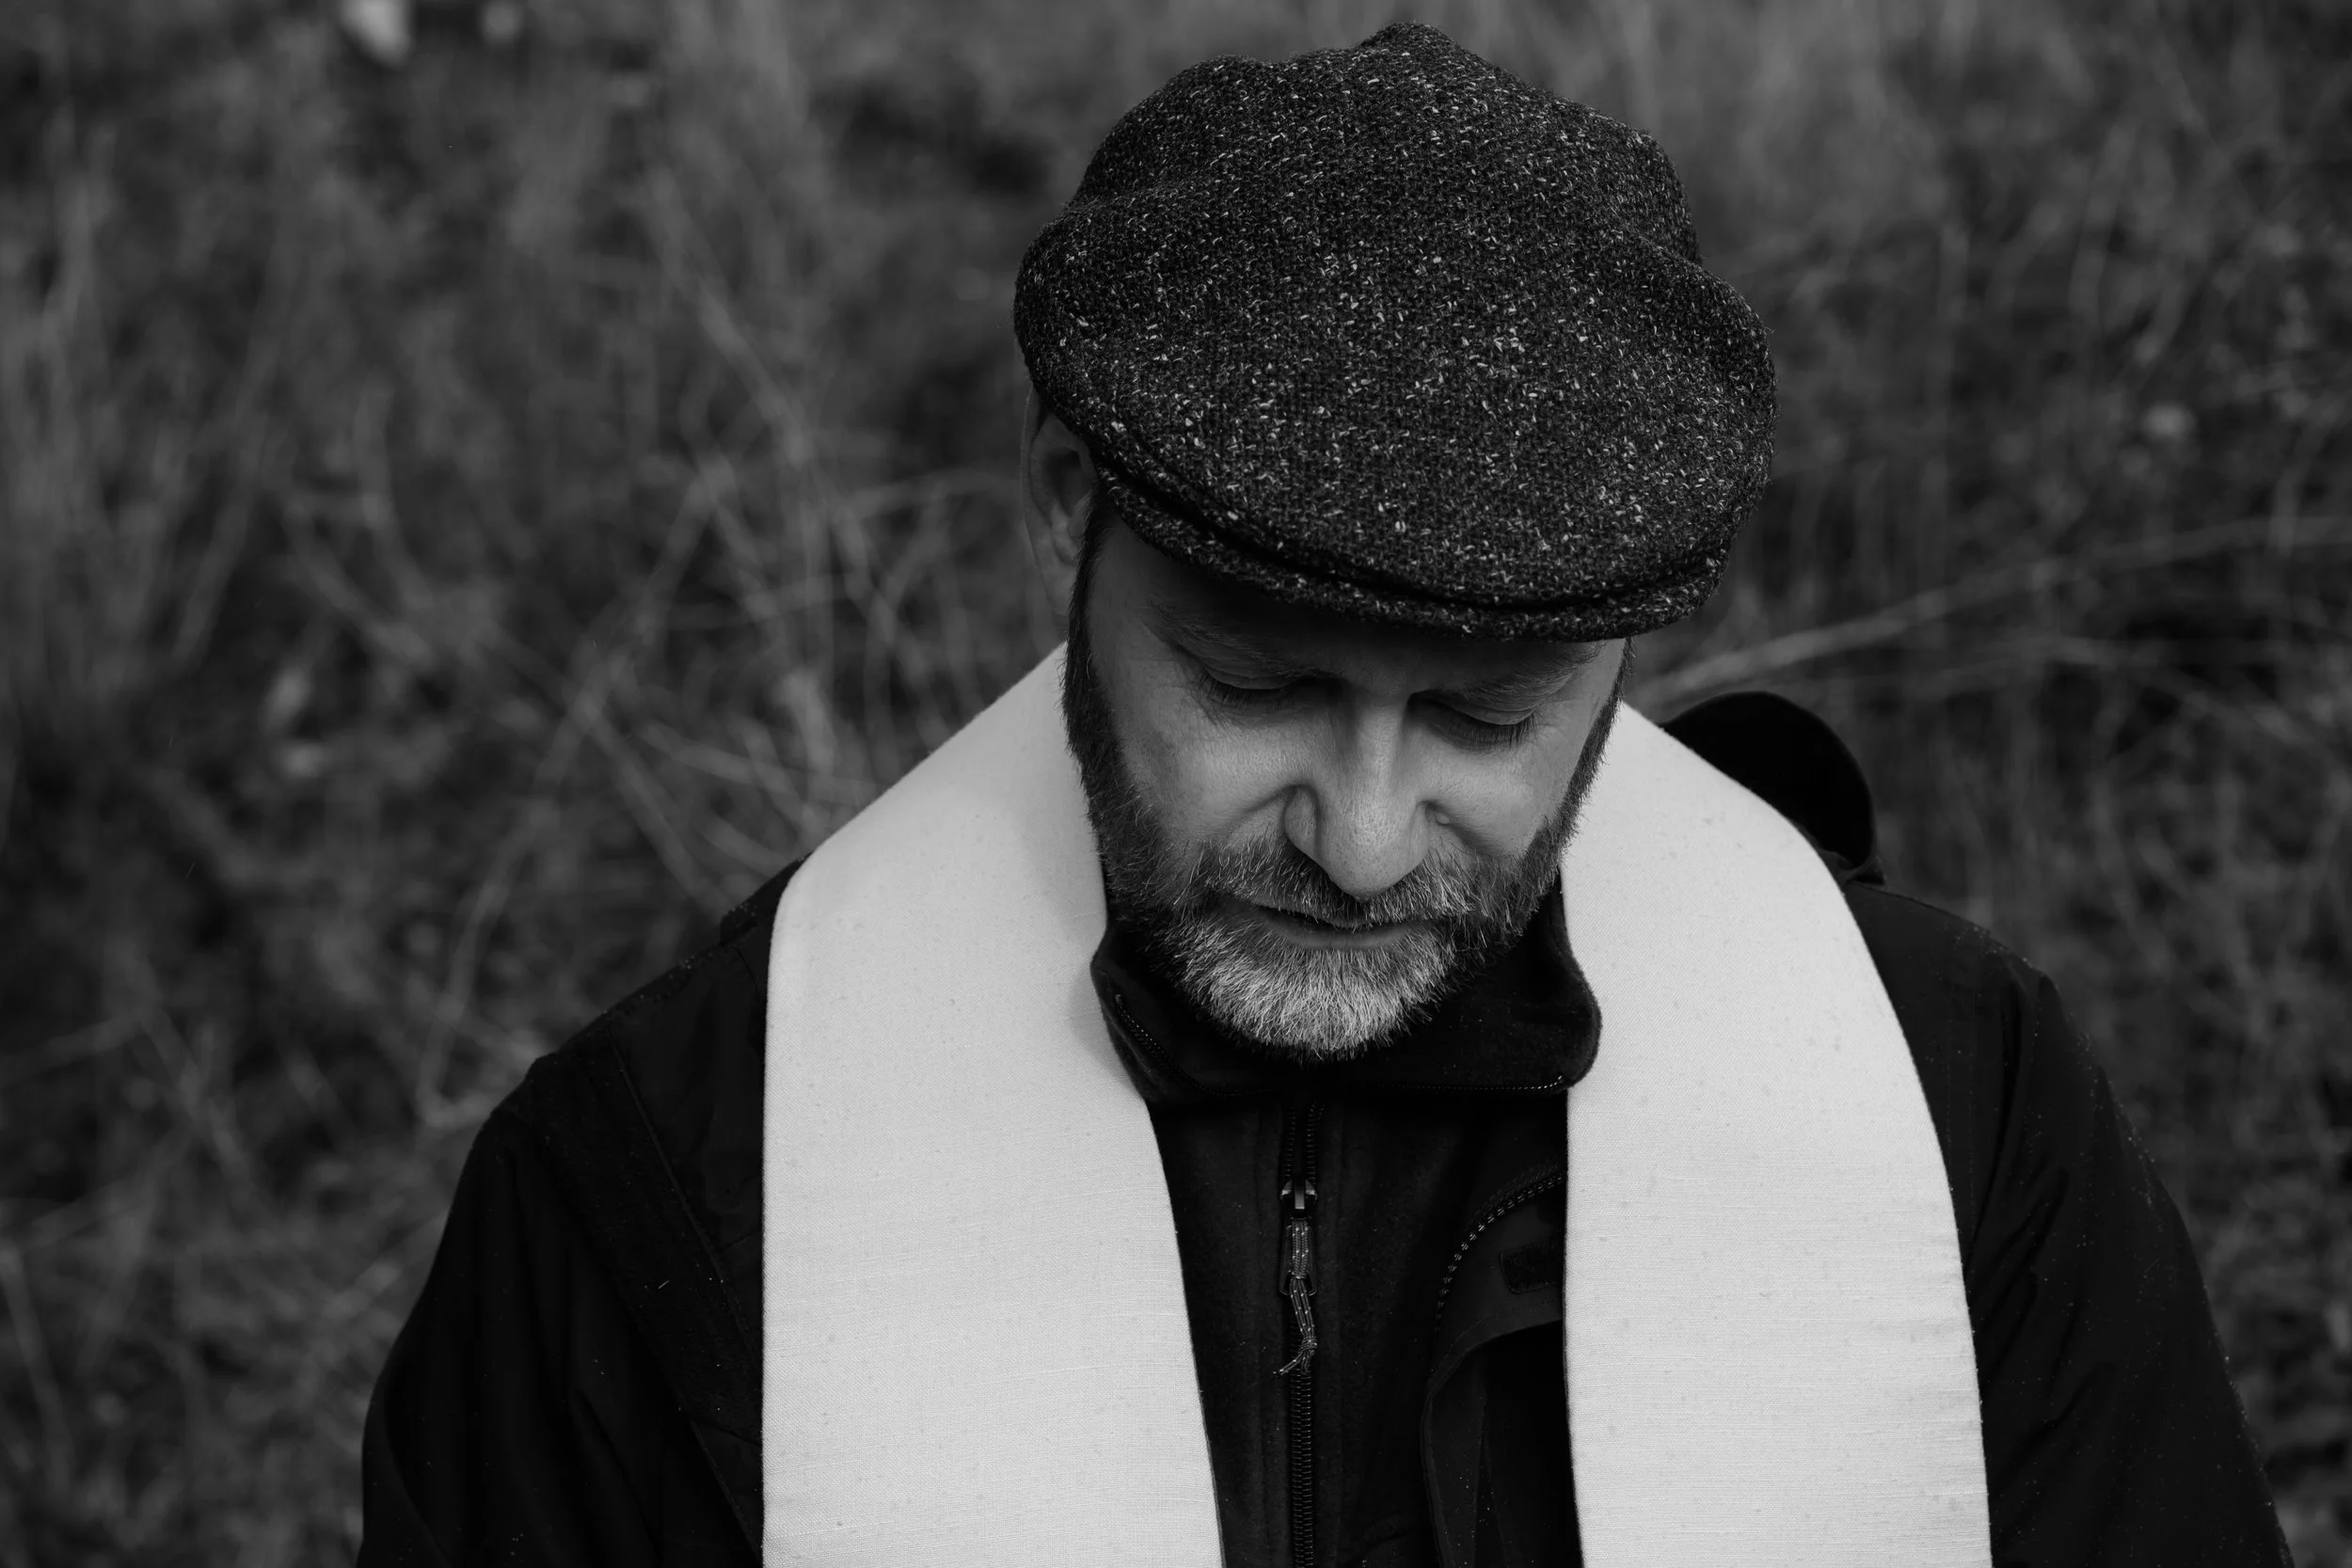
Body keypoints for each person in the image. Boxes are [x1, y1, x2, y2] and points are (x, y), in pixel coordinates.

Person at [358, 24, 2289, 1568]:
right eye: (1257, 682)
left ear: (1622, 650)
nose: (1361, 842)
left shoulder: (1955, 1106)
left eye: (1483, 720)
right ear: (1063, 508)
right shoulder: (662, 1178)